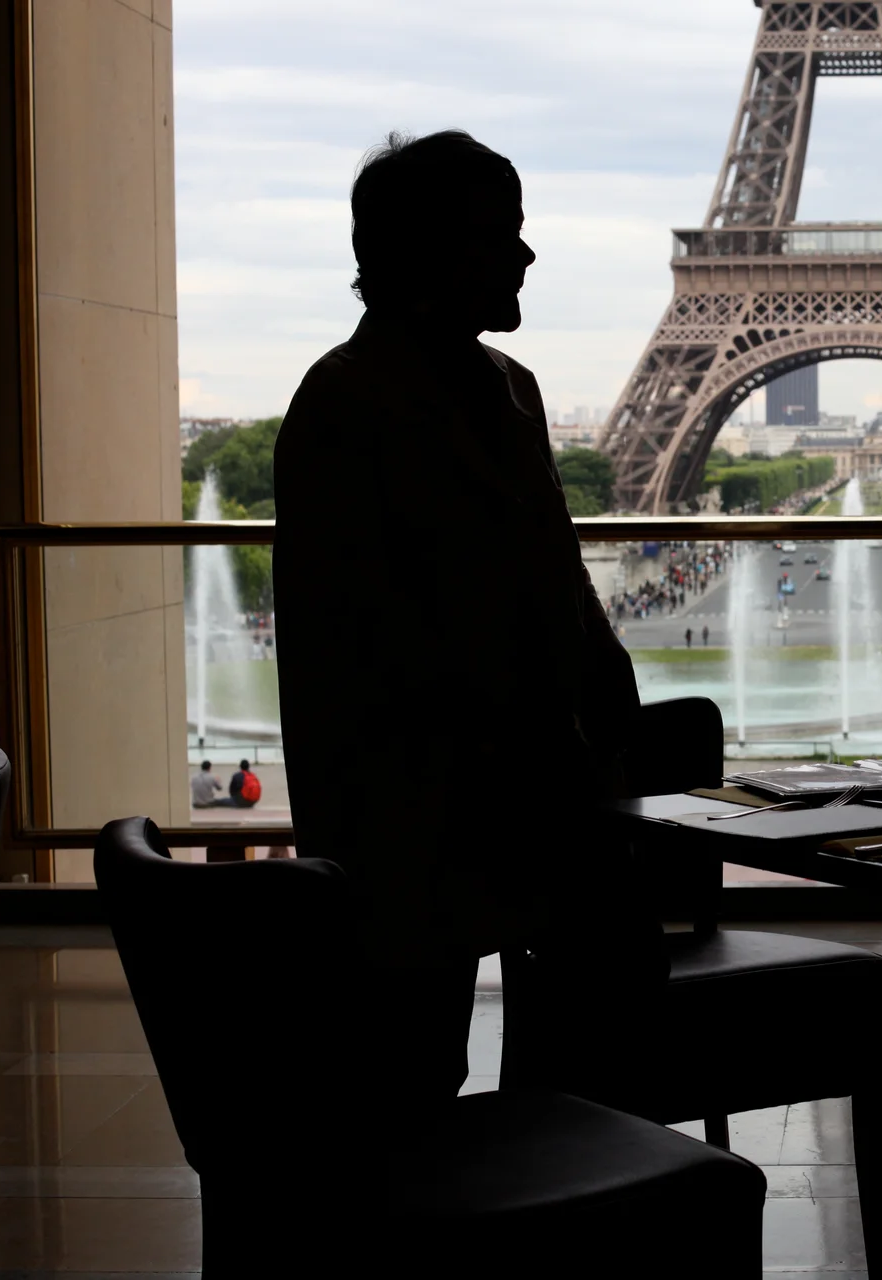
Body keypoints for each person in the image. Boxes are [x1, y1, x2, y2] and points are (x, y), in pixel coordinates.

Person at [274, 130, 665, 1142]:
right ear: (435, 253)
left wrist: (597, 694)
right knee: (413, 1081)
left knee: (575, 1061)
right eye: (504, 235)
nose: (525, 257)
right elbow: (367, 641)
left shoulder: (507, 387)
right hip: (418, 813)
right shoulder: (346, 405)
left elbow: (548, 567)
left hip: (525, 793)